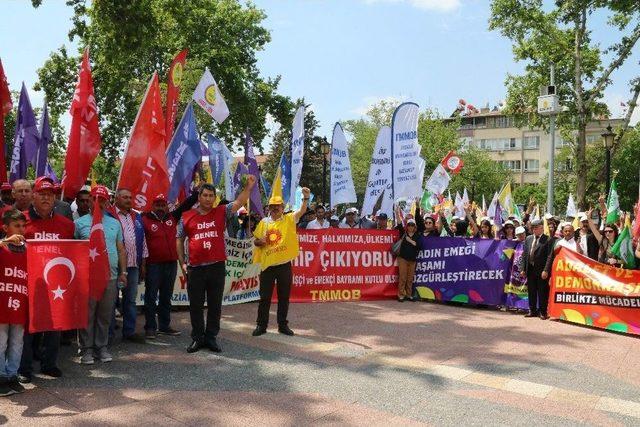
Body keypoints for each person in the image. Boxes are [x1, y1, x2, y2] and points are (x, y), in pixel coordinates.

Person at [177, 178, 255, 353]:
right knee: (196, 305)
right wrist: (182, 262)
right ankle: (197, 338)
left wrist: (248, 187)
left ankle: (211, 337)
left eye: (211, 196)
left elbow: (239, 202)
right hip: (195, 268)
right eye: (205, 195)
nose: (208, 199)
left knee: (215, 305)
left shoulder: (221, 212)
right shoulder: (186, 216)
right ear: (199, 196)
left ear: (214, 198)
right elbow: (179, 239)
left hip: (217, 267)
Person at [19, 177, 75, 382]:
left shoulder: (67, 225)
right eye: (41, 194)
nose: (45, 198)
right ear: (34, 195)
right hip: (28, 284)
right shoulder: (20, 220)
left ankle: (49, 364)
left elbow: (72, 254)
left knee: (54, 326)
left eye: (50, 195)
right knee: (27, 328)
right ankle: (24, 369)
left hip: (55, 286)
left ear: (55, 198)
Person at [74, 186, 127, 364]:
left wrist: (123, 272)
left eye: (102, 200)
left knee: (105, 314)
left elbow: (121, 249)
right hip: (87, 278)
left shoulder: (115, 223)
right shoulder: (79, 223)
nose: (98, 203)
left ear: (107, 202)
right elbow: (72, 250)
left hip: (110, 277)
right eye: (95, 199)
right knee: (87, 314)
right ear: (89, 201)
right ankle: (86, 349)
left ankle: (101, 347)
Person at [252, 187, 310, 336]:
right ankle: (261, 325)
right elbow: (255, 241)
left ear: (283, 208)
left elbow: (302, 211)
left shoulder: (289, 219)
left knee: (284, 297)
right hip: (267, 266)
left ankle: (282, 325)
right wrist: (260, 242)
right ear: (269, 208)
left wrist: (306, 198)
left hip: (284, 265)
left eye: (277, 206)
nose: (275, 209)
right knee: (264, 298)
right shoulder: (264, 222)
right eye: (272, 206)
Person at [141, 192, 197, 339]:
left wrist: (197, 192)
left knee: (166, 296)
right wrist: (142, 264)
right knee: (151, 297)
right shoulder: (144, 219)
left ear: (167, 206)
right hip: (153, 265)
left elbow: (186, 205)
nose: (160, 207)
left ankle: (164, 326)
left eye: (163, 204)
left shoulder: (172, 217)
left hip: (171, 264)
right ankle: (150, 327)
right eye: (157, 204)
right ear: (152, 206)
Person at [114, 188, 148, 343]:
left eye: (130, 197)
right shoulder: (109, 215)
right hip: (115, 265)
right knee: (111, 300)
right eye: (125, 197)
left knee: (130, 300)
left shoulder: (137, 216)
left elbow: (143, 241)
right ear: (117, 198)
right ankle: (108, 334)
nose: (129, 200)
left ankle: (129, 331)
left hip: (133, 264)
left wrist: (143, 263)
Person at [0, 210, 27, 396]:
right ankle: (1, 377)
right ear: (5, 227)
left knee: (17, 343)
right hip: (2, 304)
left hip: (20, 303)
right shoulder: (2, 246)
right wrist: (5, 242)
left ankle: (12, 375)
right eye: (17, 226)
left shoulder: (29, 248)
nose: (21, 230)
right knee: (0, 343)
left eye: (23, 226)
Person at [518, 219, 551, 319]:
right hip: (530, 269)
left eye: (536, 228)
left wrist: (546, 270)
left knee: (542, 292)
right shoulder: (528, 239)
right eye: (533, 228)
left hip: (541, 270)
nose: (534, 230)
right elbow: (524, 255)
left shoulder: (547, 239)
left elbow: (549, 256)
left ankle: (542, 312)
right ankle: (532, 310)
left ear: (541, 227)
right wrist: (522, 268)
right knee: (531, 291)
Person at [394, 217, 421, 302]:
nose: (410, 227)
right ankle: (401, 295)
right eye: (409, 225)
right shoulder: (403, 233)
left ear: (415, 227)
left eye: (412, 225)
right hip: (403, 259)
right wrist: (397, 213)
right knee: (403, 277)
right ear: (407, 226)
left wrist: (410, 241)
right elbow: (399, 224)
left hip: (412, 260)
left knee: (410, 279)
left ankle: (409, 295)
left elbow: (419, 247)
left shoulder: (417, 235)